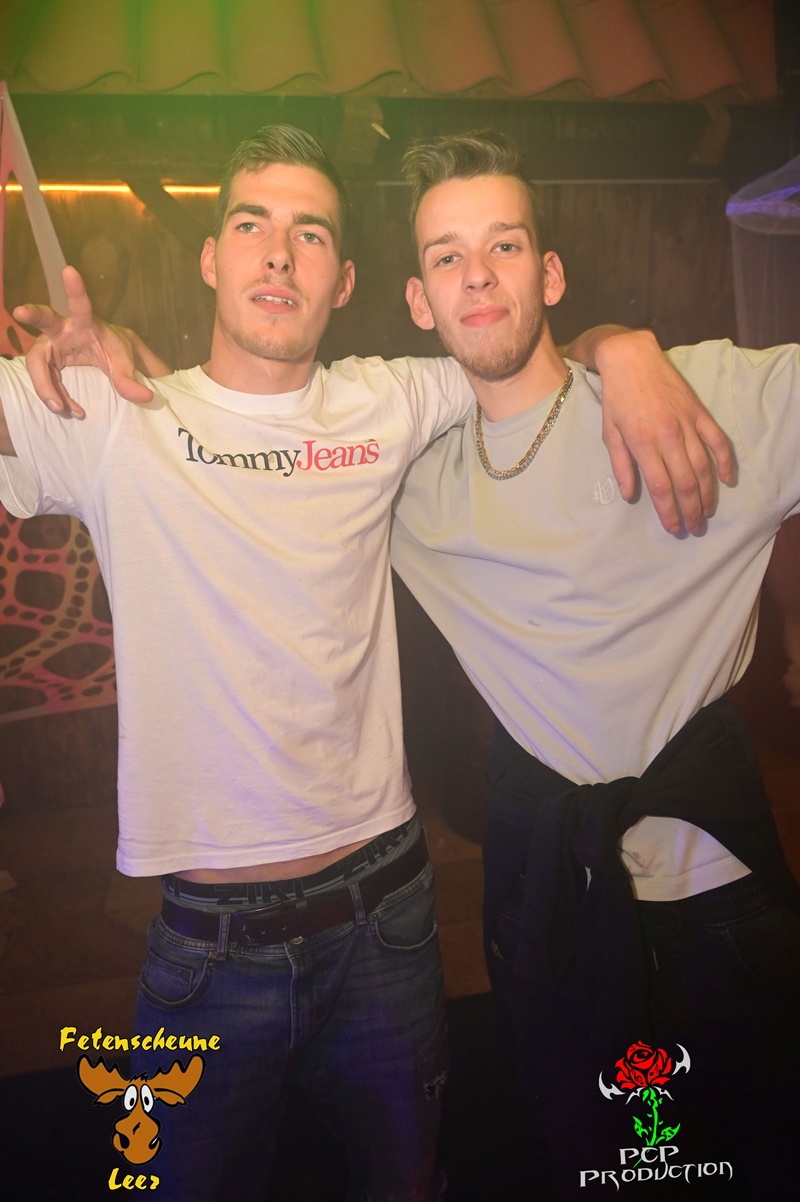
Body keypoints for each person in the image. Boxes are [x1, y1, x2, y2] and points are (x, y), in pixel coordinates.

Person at [2, 125, 729, 1202]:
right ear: (210, 258)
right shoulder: (112, 410)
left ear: (343, 281)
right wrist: (52, 352)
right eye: (250, 224)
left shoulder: (390, 398)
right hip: (206, 944)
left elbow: (513, 344)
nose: (277, 252)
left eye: (310, 233)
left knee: (408, 1181)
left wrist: (622, 346)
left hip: (388, 917)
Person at [387, 131, 800, 1199]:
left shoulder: (691, 395)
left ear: (550, 272)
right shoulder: (409, 479)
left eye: (505, 245)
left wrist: (628, 351)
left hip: (717, 898)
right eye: (446, 256)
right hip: (560, 910)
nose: (478, 274)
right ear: (419, 301)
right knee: (601, 1173)